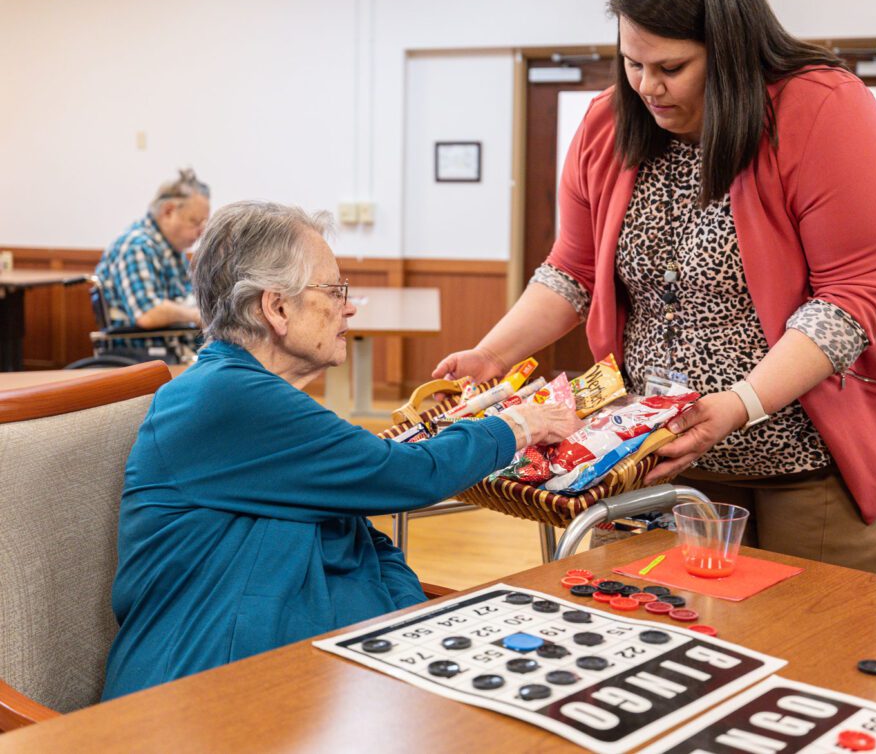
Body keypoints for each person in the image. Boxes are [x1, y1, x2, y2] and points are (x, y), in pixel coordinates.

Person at [434, 0, 876, 576]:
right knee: (642, 626)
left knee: (810, 641)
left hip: (809, 462)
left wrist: (741, 404)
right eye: (632, 64)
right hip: (658, 450)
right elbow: (573, 270)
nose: (647, 86)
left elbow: (852, 298)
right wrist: (492, 354)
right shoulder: (607, 123)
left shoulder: (820, 110)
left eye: (670, 68)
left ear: (729, 52)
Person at [101, 201, 579, 700]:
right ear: (277, 308)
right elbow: (408, 475)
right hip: (199, 694)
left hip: (294, 681)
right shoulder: (224, 396)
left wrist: (415, 629)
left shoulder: (260, 404)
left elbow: (366, 542)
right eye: (334, 290)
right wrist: (516, 426)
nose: (348, 306)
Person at [94, 168, 210, 359]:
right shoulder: (136, 246)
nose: (200, 232)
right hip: (143, 353)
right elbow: (148, 313)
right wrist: (198, 316)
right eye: (194, 222)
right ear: (168, 211)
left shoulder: (172, 250)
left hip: (173, 346)